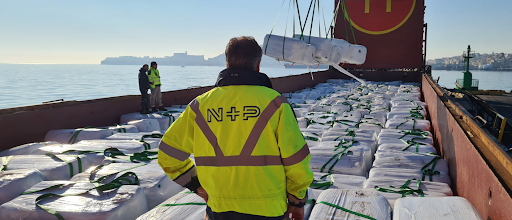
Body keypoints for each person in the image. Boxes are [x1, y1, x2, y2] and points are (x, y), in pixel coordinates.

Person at [158, 36, 313, 220]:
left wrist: (196, 186)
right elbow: (296, 161)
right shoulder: (276, 103)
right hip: (269, 209)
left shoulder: (199, 106)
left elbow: (168, 155)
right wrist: (297, 202)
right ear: (258, 64)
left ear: (227, 63)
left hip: (219, 208)